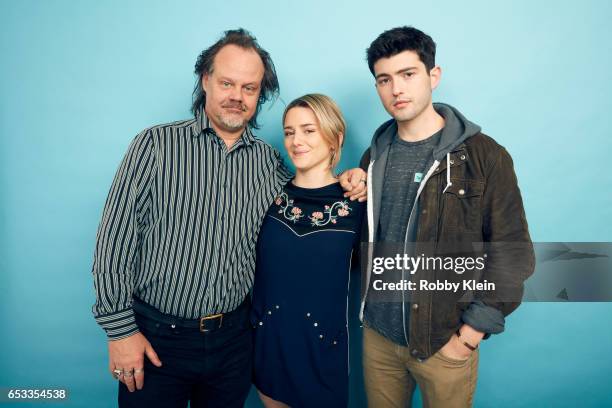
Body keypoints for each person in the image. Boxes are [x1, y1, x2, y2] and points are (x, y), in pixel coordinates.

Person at [91, 29, 367, 408]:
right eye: (227, 83)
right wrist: (120, 332)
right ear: (205, 81)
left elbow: (311, 191)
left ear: (260, 94)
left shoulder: (270, 164)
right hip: (157, 339)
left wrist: (351, 178)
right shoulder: (154, 146)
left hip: (234, 345)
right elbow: (113, 242)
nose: (237, 96)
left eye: (249, 88)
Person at [358, 26, 535, 407]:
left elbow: (512, 253)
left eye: (408, 75)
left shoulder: (485, 156)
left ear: (433, 76)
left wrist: (470, 335)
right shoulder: (374, 157)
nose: (396, 90)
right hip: (379, 341)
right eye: (384, 80)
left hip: (445, 342)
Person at [251, 94, 365, 408]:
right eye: (289, 132)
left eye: (308, 130)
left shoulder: (358, 203)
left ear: (335, 138)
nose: (296, 141)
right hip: (269, 345)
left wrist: (362, 178)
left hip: (322, 350)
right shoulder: (268, 194)